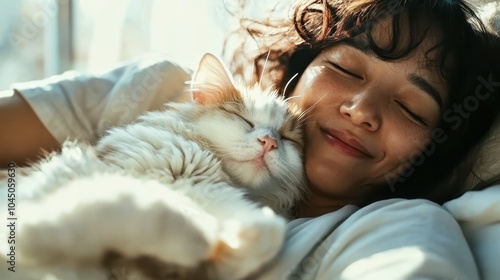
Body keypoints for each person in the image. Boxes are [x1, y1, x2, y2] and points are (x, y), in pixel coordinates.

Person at [1, 0, 499, 279]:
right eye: (346, 68)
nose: (361, 111)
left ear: (437, 146)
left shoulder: (399, 227)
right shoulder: (158, 92)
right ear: (299, 74)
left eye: (412, 108)